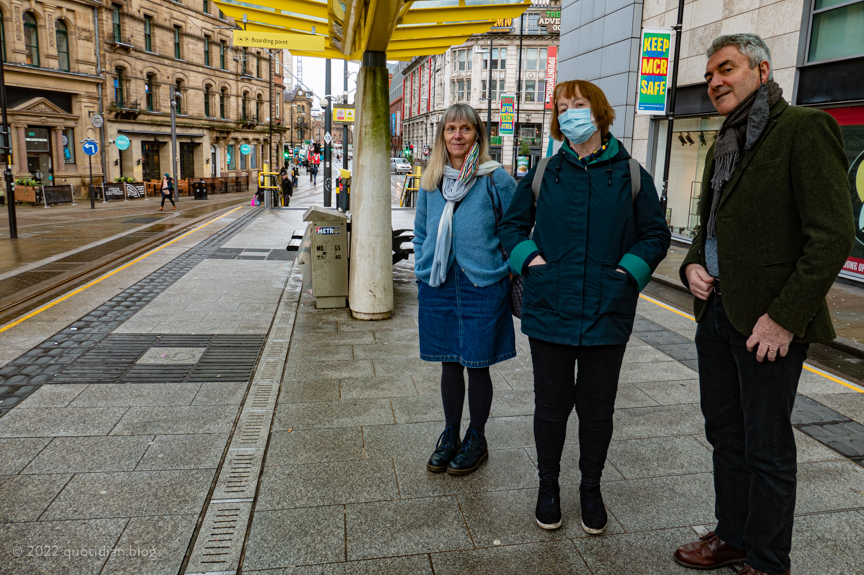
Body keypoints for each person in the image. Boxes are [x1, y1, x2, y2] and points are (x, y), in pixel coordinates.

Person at [672, 34, 855, 575]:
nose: (714, 82)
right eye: (709, 76)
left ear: (762, 69)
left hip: (767, 326)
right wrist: (691, 268)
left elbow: (831, 235)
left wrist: (783, 318)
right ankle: (732, 536)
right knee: (725, 437)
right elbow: (708, 227)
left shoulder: (802, 128)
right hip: (716, 314)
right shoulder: (724, 139)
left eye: (725, 69)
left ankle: (768, 560)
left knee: (767, 448)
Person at [498, 80, 670, 534]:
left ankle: (590, 487)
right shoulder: (544, 173)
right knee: (550, 407)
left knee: (598, 409)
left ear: (598, 111)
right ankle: (548, 486)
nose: (570, 112)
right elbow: (512, 227)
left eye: (578, 104)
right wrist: (531, 263)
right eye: (562, 106)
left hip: (606, 311)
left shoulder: (631, 172)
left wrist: (626, 274)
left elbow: (655, 234)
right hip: (549, 307)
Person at [413, 103, 517, 476]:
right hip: (439, 283)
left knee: (477, 365)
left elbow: (518, 226)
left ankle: (477, 436)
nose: (457, 135)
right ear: (442, 135)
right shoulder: (432, 179)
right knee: (449, 363)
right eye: (450, 129)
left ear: (478, 136)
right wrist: (422, 270)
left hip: (481, 283)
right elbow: (422, 230)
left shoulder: (494, 179)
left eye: (466, 129)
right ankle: (450, 434)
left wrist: (506, 270)